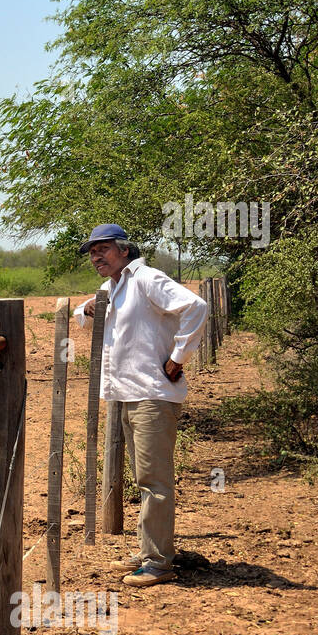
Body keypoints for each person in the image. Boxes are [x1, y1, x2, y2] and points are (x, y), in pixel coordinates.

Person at [73, 224, 209, 587]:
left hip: (152, 395)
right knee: (143, 478)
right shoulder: (111, 287)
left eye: (102, 249)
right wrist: (87, 308)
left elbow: (196, 307)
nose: (96, 257)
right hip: (125, 394)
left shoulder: (147, 278)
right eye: (91, 252)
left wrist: (179, 357)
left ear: (123, 250)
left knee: (154, 481)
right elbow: (81, 319)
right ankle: (150, 550)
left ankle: (158, 564)